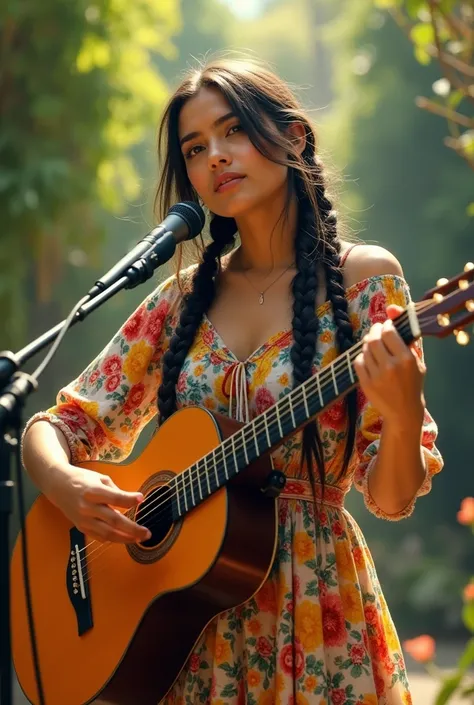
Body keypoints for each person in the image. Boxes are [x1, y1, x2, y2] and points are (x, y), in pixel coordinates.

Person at [22, 56, 443, 705]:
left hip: (320, 618)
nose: (215, 156)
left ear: (294, 137)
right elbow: (56, 426)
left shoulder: (364, 283)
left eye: (232, 132)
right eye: (196, 148)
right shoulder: (177, 303)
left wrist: (405, 404)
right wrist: (66, 481)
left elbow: (391, 497)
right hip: (188, 638)